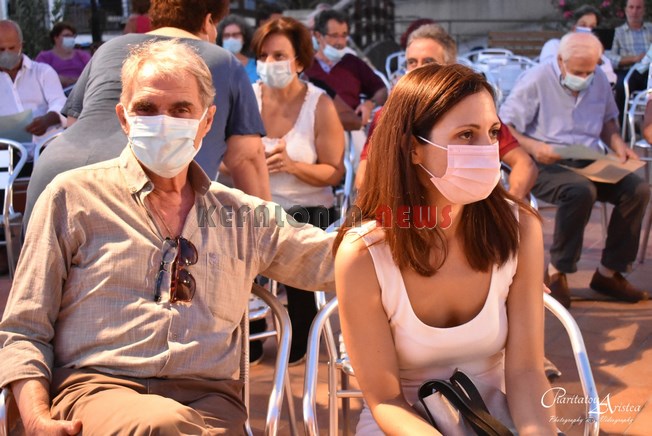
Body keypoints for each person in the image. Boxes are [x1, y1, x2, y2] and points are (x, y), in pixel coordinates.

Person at [0, 39, 335, 435]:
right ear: (124, 118)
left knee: (174, 425)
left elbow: (334, 259)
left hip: (210, 405)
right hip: (99, 393)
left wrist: (393, 218)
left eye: (180, 110)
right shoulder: (73, 198)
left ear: (206, 122)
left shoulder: (240, 215)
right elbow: (25, 329)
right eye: (146, 108)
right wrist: (36, 419)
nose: (163, 122)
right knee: (164, 424)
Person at [334, 63, 557, 435]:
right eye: (466, 134)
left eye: (492, 132)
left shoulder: (520, 229)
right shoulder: (363, 255)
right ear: (413, 149)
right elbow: (386, 401)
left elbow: (527, 370)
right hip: (404, 424)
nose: (488, 150)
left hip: (497, 418)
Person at [24, 0, 270, 227]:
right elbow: (247, 159)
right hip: (139, 192)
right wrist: (267, 236)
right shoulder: (224, 61)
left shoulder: (108, 49)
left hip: (53, 174)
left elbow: (74, 123)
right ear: (208, 22)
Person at [500, 32, 650, 308]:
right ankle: (558, 271)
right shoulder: (536, 79)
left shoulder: (599, 78)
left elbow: (608, 121)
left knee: (637, 189)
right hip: (543, 161)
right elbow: (504, 127)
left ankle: (609, 273)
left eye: (589, 71)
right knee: (580, 191)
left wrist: (619, 146)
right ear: (561, 61)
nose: (584, 78)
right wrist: (534, 146)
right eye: (578, 71)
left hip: (587, 156)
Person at [250, 16, 345, 364]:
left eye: (279, 56)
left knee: (296, 236)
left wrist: (292, 166)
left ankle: (302, 333)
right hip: (258, 205)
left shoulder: (319, 104)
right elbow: (225, 161)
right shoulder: (247, 97)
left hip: (308, 209)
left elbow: (334, 171)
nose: (269, 63)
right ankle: (249, 329)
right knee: (230, 240)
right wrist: (250, 161)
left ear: (300, 62)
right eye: (263, 56)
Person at [356, 24, 538, 201]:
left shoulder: (478, 117)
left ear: (450, 66)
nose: (418, 69)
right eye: (411, 62)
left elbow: (524, 164)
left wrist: (509, 206)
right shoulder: (388, 117)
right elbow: (364, 178)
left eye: (429, 62)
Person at [305, 9, 387, 127]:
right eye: (334, 36)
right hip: (314, 128)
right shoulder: (306, 65)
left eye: (344, 35)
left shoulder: (353, 63)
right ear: (318, 36)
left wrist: (370, 104)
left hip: (351, 128)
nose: (340, 42)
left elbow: (381, 91)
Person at [0, 20, 67, 164]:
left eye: (11, 48)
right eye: (1, 49)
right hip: (7, 154)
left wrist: (47, 120)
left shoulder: (43, 72)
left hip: (48, 147)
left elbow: (61, 104)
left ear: (21, 46)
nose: (6, 53)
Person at [539, 5, 616, 84]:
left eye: (592, 26)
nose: (588, 30)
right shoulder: (554, 45)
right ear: (574, 28)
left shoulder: (598, 54)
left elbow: (610, 80)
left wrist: (597, 60)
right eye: (583, 25)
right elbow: (547, 72)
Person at [606, 0, 652, 117]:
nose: (634, 11)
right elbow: (611, 58)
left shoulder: (650, 29)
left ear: (644, 11)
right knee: (621, 87)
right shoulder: (619, 32)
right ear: (626, 10)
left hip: (649, 70)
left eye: (638, 8)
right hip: (628, 70)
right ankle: (621, 123)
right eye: (631, 7)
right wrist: (634, 58)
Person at [35, 21, 91, 88]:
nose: (70, 38)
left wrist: (65, 80)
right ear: (56, 38)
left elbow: (93, 73)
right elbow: (39, 77)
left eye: (72, 36)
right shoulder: (44, 57)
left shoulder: (83, 56)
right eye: (66, 36)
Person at [217, 14, 258, 83]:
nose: (231, 39)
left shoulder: (257, 66)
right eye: (226, 35)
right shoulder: (216, 67)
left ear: (244, 38)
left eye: (235, 35)